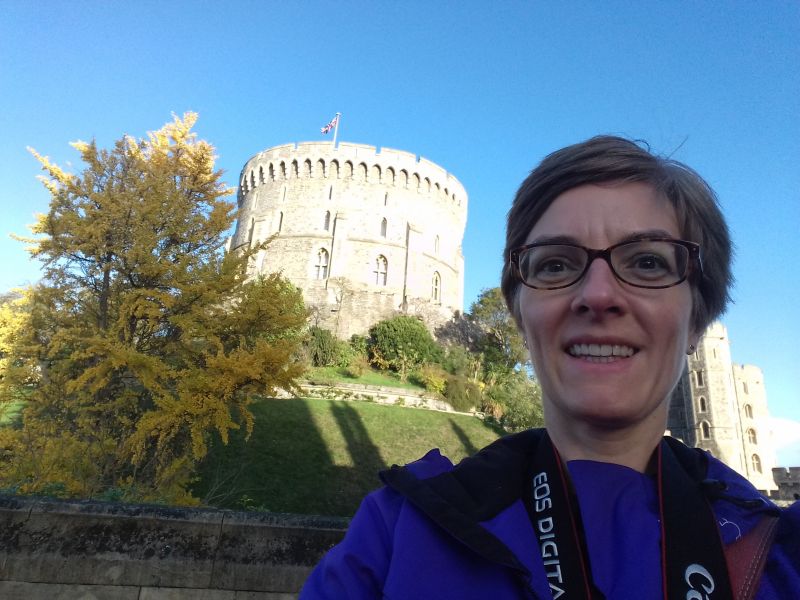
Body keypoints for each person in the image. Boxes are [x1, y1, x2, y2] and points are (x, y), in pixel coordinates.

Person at [300, 136, 799, 599]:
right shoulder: (399, 530)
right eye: (555, 264)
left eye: (647, 262)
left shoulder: (781, 551)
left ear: (698, 320)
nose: (599, 295)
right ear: (519, 316)